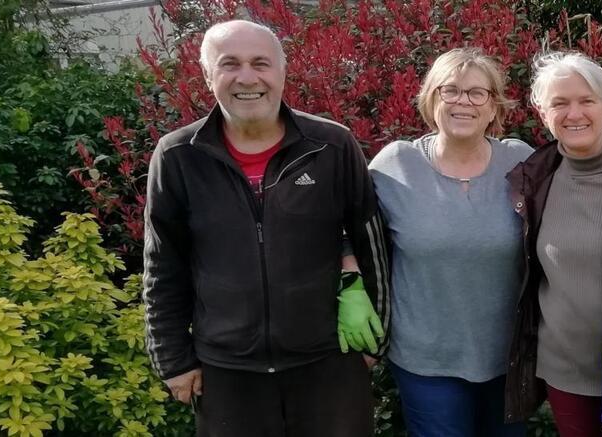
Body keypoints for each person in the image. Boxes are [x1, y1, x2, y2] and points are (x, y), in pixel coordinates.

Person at [142, 20, 389, 436]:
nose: (247, 78)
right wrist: (172, 360)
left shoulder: (332, 146)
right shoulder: (178, 156)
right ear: (207, 75)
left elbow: (373, 246)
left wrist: (375, 343)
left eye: (261, 63)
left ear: (282, 71)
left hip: (329, 364)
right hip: (227, 372)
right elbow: (163, 266)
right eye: (229, 64)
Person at [368, 47, 533, 437]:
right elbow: (349, 229)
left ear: (494, 108)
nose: (464, 102)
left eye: (478, 93)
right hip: (426, 360)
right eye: (450, 90)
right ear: (431, 99)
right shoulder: (394, 165)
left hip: (508, 357)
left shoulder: (522, 162)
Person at [504, 51, 602, 436]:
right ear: (542, 112)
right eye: (560, 103)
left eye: (587, 100)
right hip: (565, 370)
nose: (575, 114)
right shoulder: (533, 179)